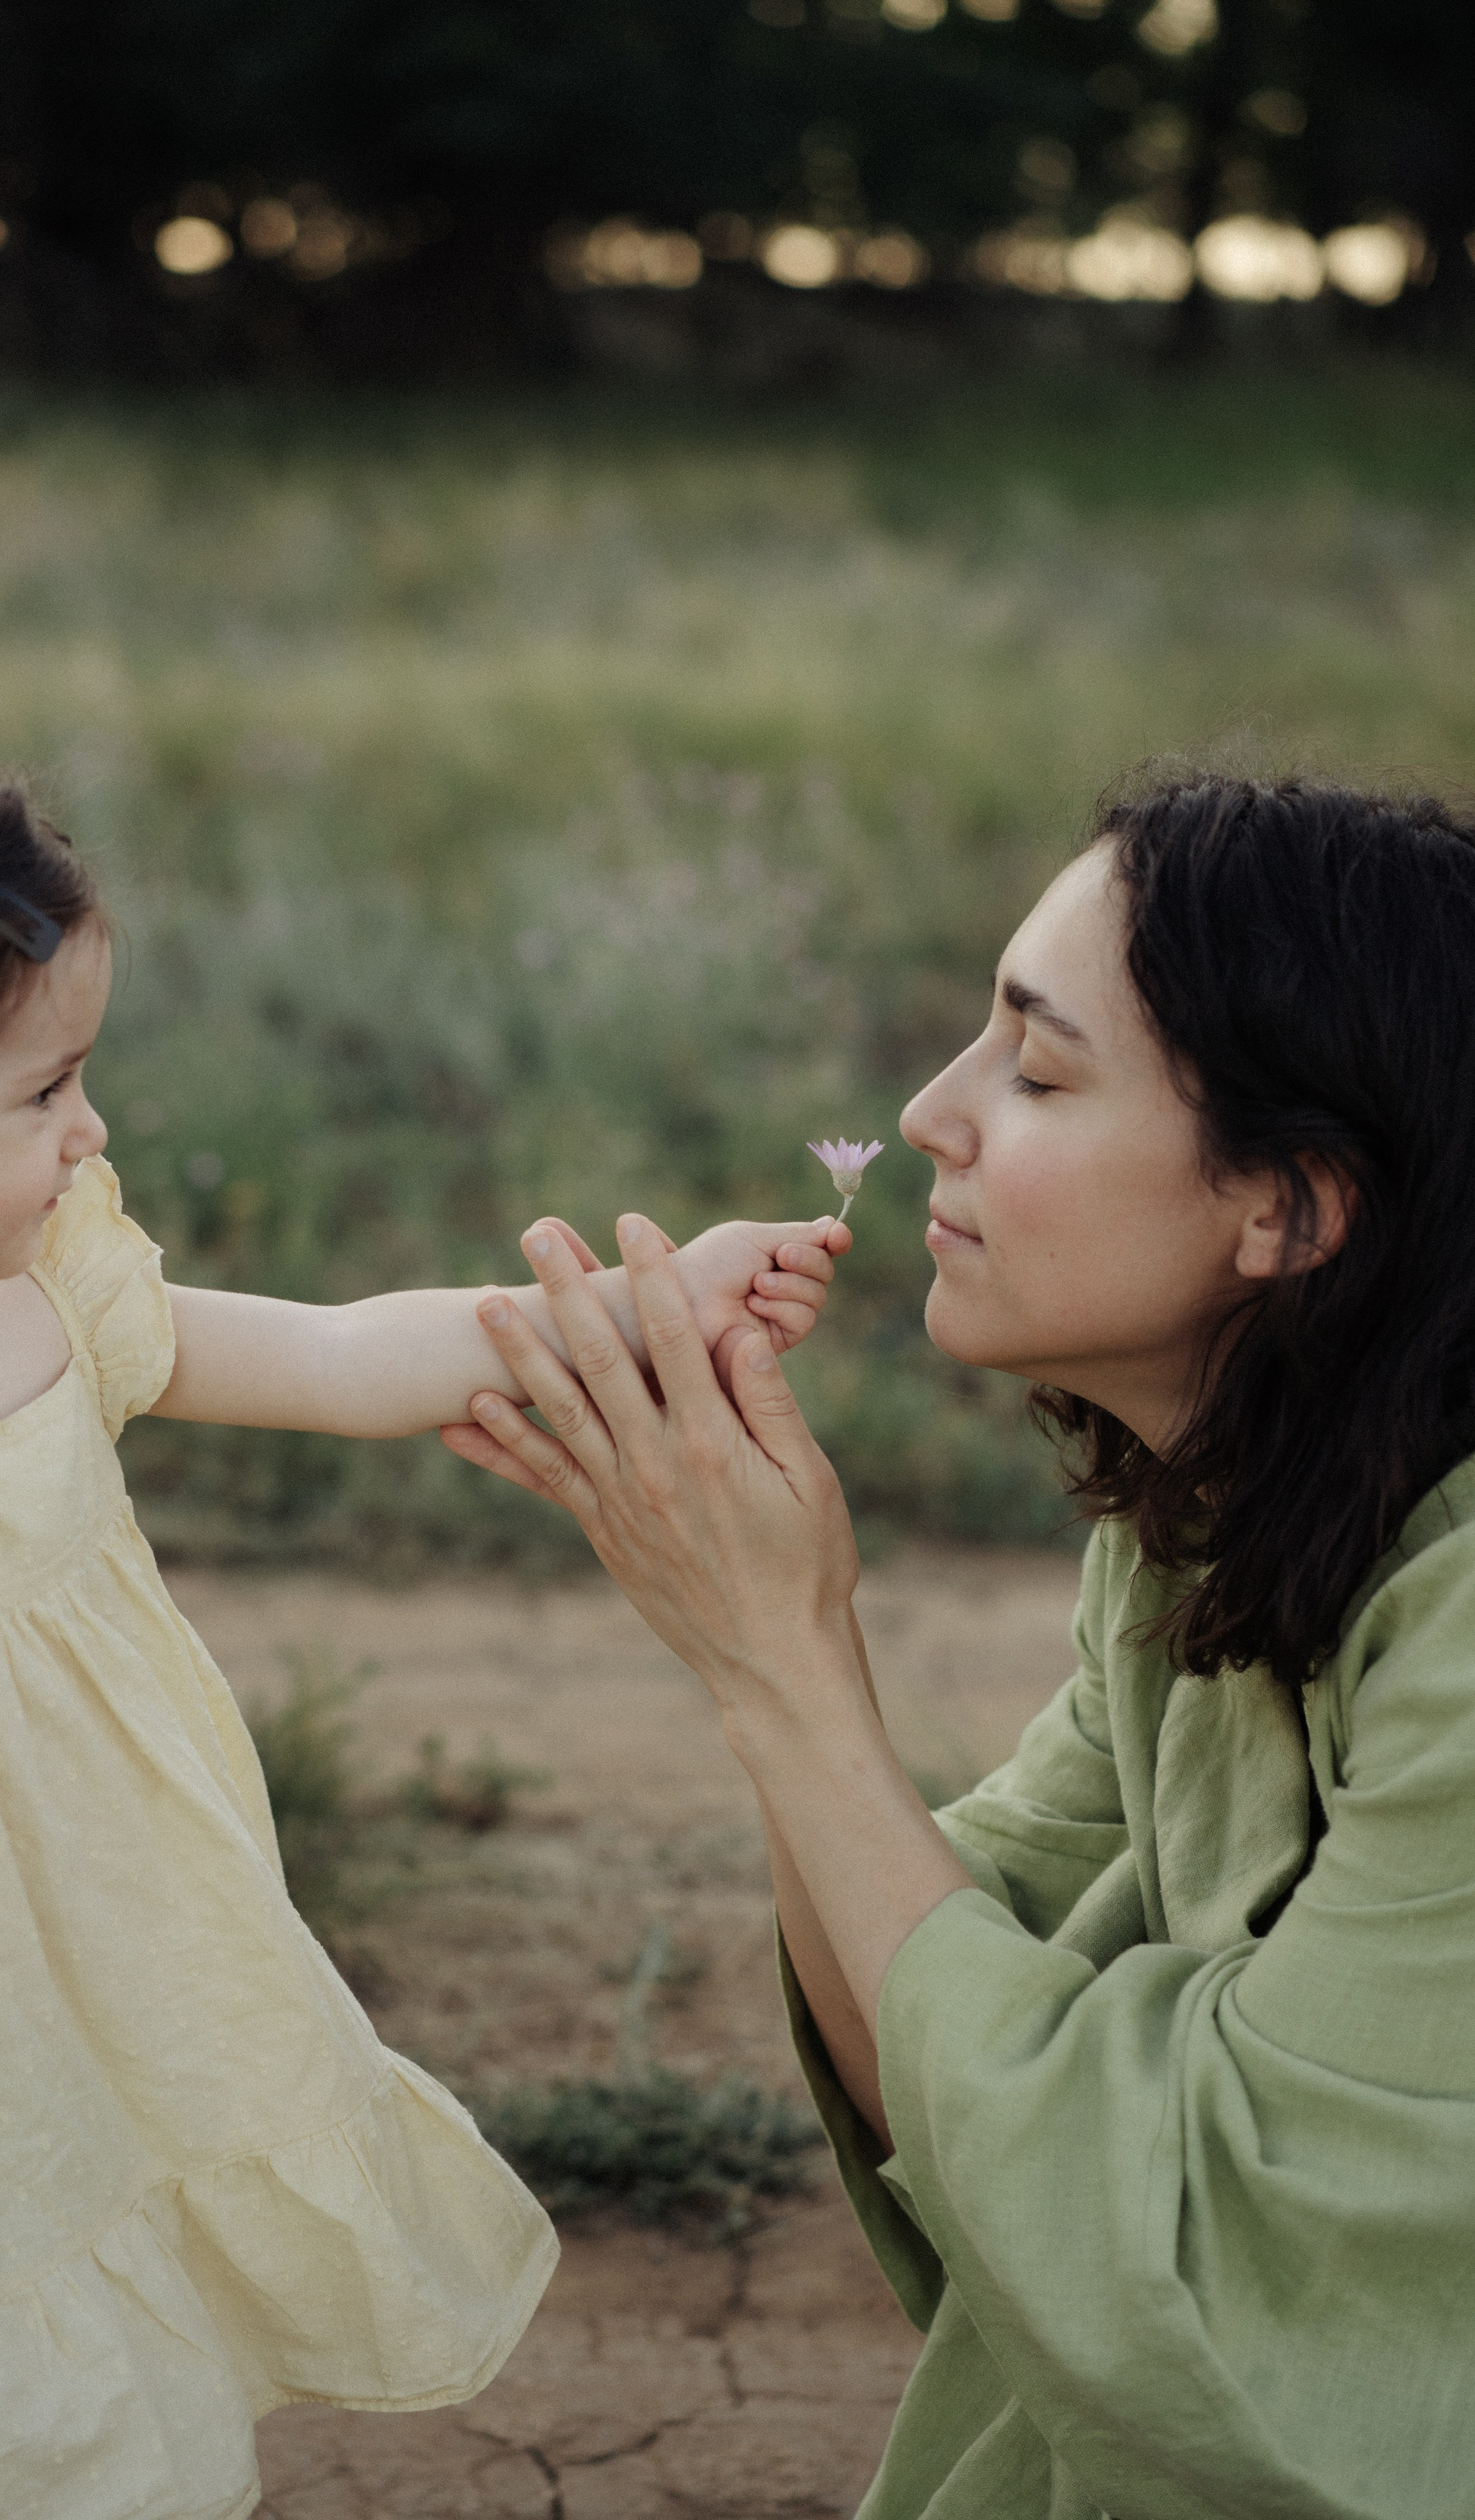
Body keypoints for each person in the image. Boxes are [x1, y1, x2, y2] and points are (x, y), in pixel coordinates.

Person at [0, 720, 849, 2520]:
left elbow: (344, 1353)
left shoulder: (48, 1292)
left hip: (81, 1998)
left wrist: (645, 1307)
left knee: (95, 2350)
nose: (91, 1132)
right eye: (42, 1095)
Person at [446, 772, 1475, 2520]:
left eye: (1040, 1074)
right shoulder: (1206, 1524)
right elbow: (946, 2054)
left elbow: (1240, 2311)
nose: (929, 1115)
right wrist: (771, 1654)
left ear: (1291, 1209)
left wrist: (782, 1659)